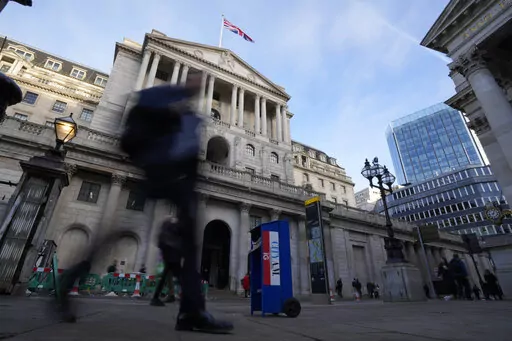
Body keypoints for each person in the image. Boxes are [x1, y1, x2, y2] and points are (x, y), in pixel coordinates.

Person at [54, 79, 233, 333]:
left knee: (182, 238)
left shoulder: (183, 112)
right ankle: (192, 312)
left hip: (173, 175)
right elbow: (143, 117)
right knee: (125, 229)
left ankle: (191, 311)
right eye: (197, 81)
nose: (200, 86)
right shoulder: (164, 97)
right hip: (162, 169)